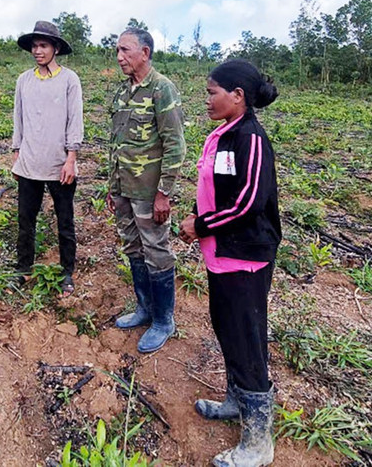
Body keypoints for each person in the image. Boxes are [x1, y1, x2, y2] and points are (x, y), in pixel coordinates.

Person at [179, 59, 280, 467]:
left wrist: (200, 224)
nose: (207, 99)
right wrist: (200, 222)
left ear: (237, 96)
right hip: (222, 254)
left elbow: (247, 204)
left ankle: (259, 441)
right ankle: (237, 402)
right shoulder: (223, 134)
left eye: (212, 92)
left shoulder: (250, 139)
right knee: (227, 328)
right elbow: (215, 190)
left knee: (247, 339)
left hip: (245, 258)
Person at [108, 28, 186, 353]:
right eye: (117, 50)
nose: (119, 57)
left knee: (156, 250)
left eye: (125, 50)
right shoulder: (122, 93)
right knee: (133, 248)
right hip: (125, 190)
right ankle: (144, 309)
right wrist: (113, 189)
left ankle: (163, 321)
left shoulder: (162, 90)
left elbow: (175, 145)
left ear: (145, 52)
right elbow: (116, 144)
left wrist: (164, 193)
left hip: (149, 192)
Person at [11, 21, 83, 295]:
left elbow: (74, 120)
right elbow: (18, 119)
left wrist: (71, 157)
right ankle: (23, 269)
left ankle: (67, 272)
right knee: (25, 221)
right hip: (29, 162)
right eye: (34, 46)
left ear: (55, 48)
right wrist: (16, 153)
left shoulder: (69, 80)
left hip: (59, 164)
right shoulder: (24, 80)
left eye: (43, 46)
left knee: (65, 222)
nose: (37, 51)